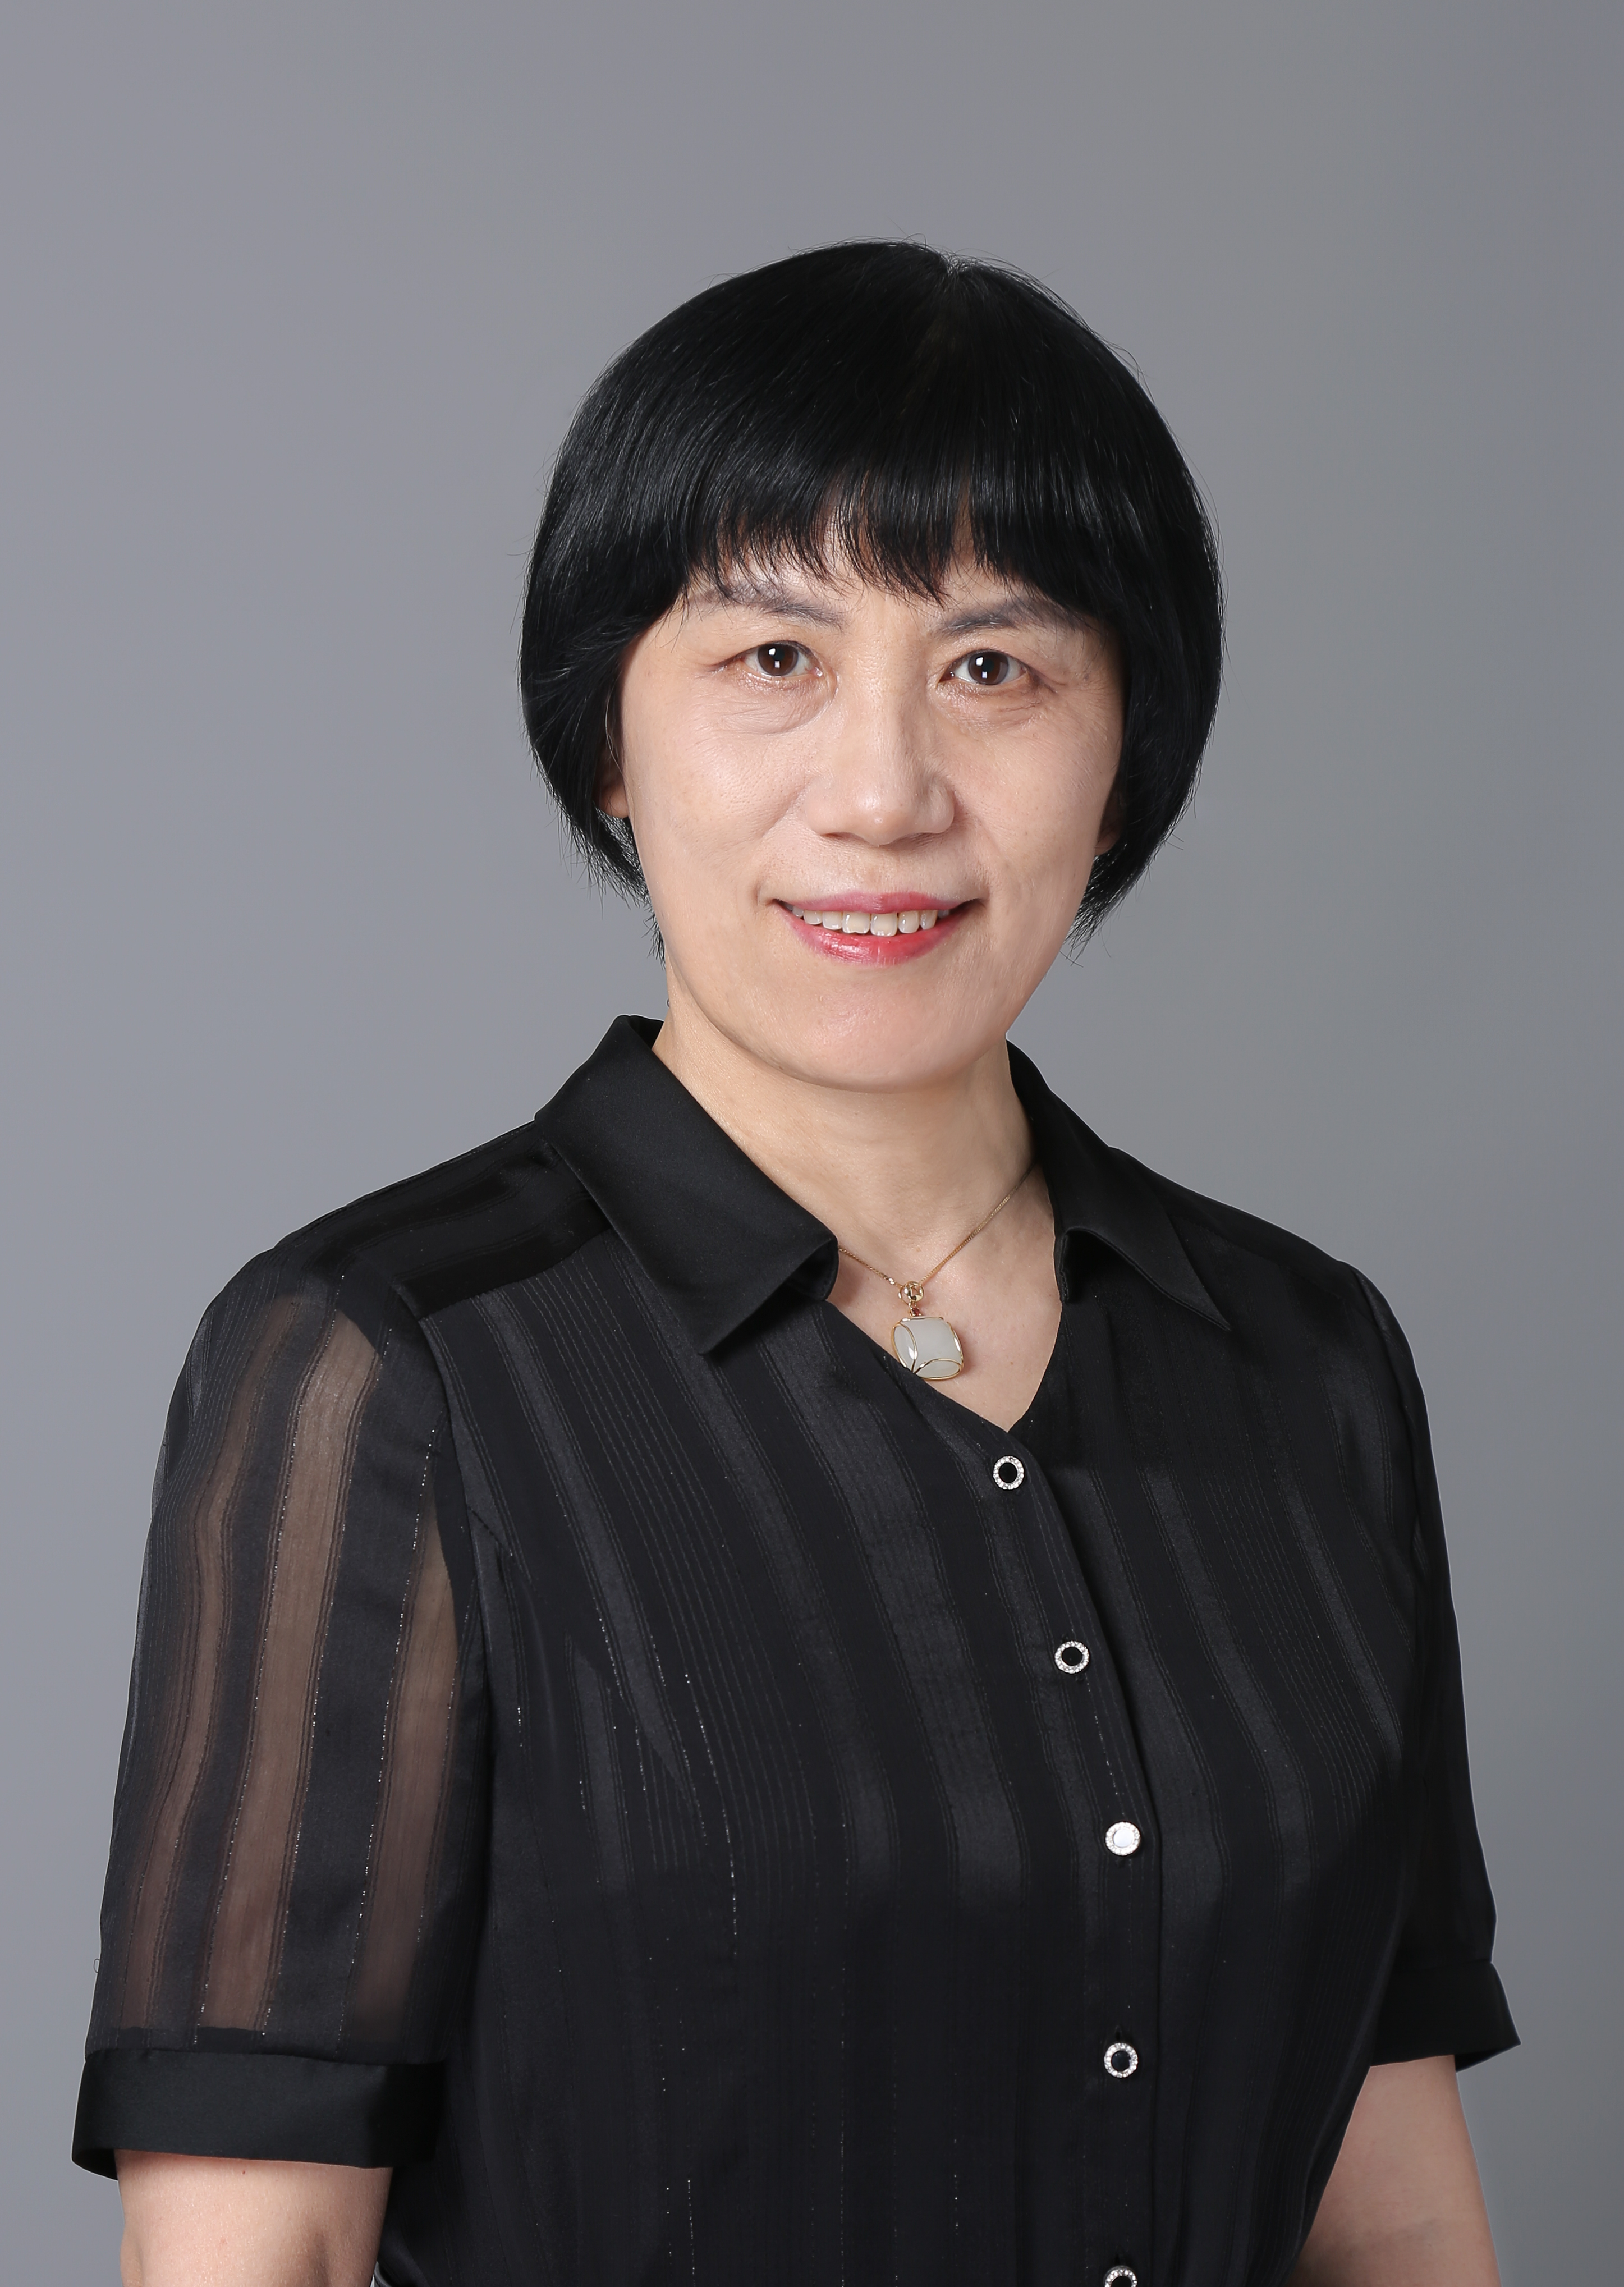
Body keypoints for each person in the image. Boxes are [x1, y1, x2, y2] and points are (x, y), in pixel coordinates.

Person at [75, 242, 1515, 2287]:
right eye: (773, 657)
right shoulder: (388, 1367)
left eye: (994, 669)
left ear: (1124, 761)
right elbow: (261, 2243)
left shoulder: (1305, 1362)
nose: (883, 793)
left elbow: (1392, 2207)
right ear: (609, 739)